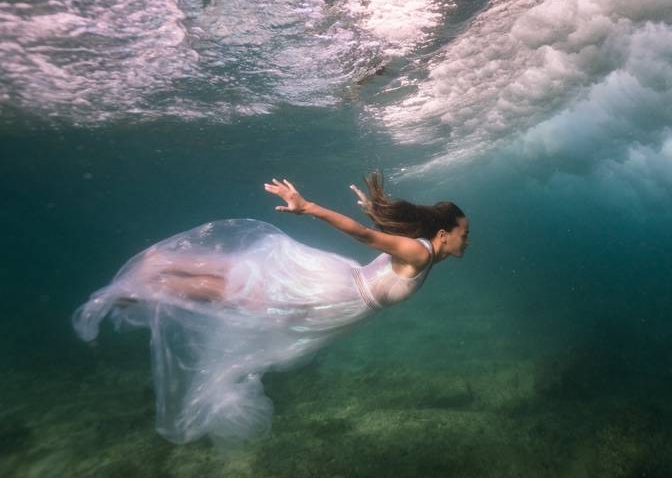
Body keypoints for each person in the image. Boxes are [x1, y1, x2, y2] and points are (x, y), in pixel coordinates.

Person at [73, 172, 469, 446]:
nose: (466, 242)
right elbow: (366, 236)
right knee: (251, 295)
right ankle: (155, 284)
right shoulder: (419, 253)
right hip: (338, 295)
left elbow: (378, 234)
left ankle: (162, 274)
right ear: (442, 234)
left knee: (252, 285)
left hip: (342, 290)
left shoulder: (422, 250)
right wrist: (308, 206)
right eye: (462, 234)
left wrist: (374, 209)